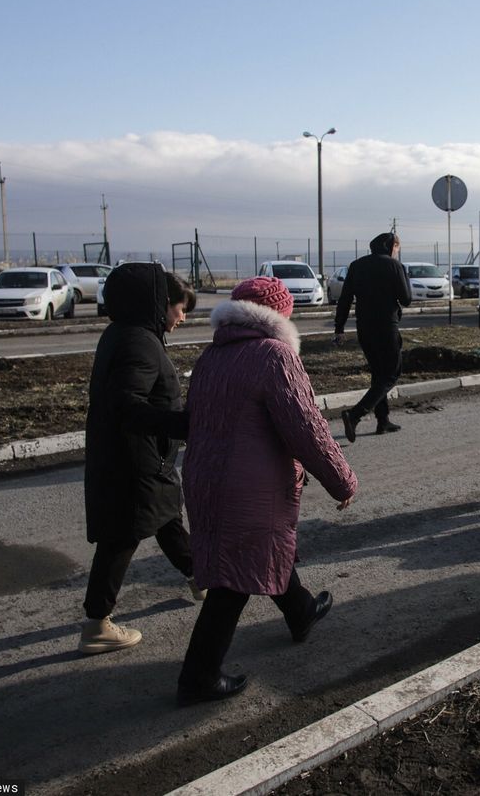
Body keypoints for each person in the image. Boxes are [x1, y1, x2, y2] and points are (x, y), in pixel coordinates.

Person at [176, 276, 358, 705]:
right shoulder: (275, 356)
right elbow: (307, 429)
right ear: (279, 315)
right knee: (233, 579)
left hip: (205, 477)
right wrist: (341, 479)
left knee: (263, 548)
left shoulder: (211, 356)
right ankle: (198, 675)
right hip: (249, 483)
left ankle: (301, 611)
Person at [79, 264, 199, 655]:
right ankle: (97, 623)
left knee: (165, 516)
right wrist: (185, 425)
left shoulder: (125, 333)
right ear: (160, 303)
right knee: (122, 536)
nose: (182, 317)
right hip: (134, 460)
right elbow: (127, 404)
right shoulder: (140, 342)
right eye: (180, 308)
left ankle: (200, 574)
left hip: (142, 457)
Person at [332, 231, 412, 442]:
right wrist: (403, 274)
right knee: (391, 373)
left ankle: (383, 420)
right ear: (392, 246)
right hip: (387, 326)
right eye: (397, 248)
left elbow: (345, 299)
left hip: (364, 328)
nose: (397, 252)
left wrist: (339, 328)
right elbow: (406, 299)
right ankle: (354, 414)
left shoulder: (357, 265)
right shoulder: (394, 266)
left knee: (378, 373)